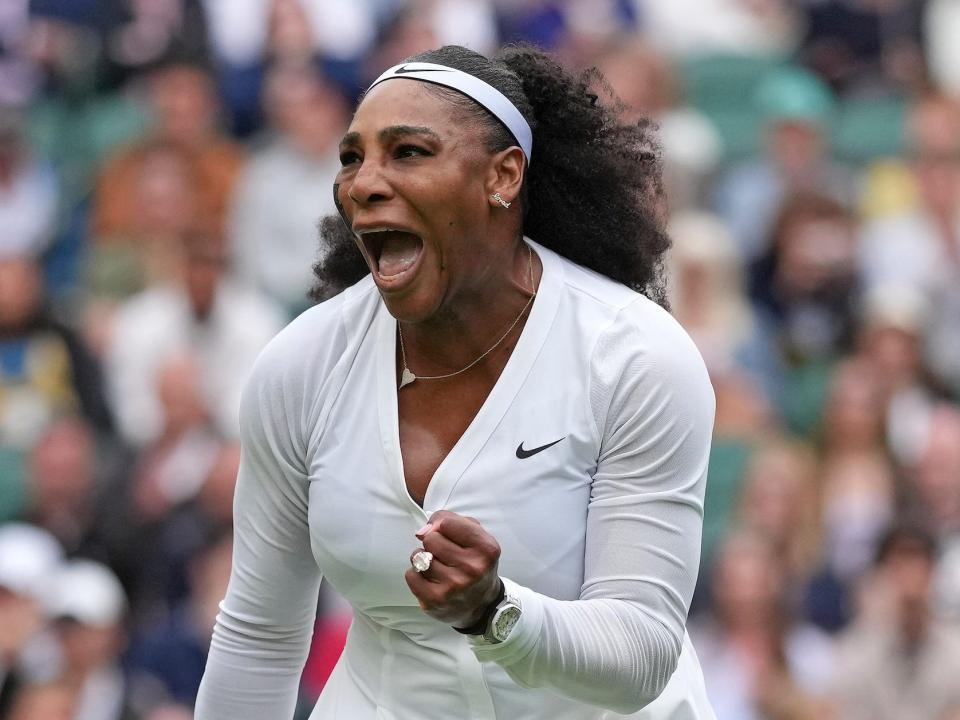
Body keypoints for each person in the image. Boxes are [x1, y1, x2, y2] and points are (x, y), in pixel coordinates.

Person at [196, 44, 716, 719]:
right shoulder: (300, 366)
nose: (365, 183)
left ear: (503, 176)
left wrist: (495, 613)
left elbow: (641, 652)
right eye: (352, 157)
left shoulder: (635, 356)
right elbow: (260, 638)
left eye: (408, 151)